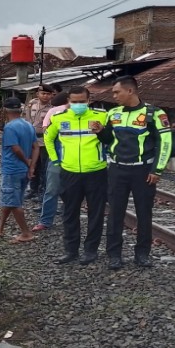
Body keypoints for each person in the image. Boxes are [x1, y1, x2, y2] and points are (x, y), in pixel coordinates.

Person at [98, 76, 172, 269]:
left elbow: (165, 142)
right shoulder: (112, 113)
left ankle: (142, 254)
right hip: (116, 169)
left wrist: (157, 169)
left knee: (144, 214)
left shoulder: (155, 113)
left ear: (130, 91)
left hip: (143, 171)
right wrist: (100, 131)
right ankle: (114, 255)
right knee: (115, 213)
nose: (114, 96)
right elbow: (107, 139)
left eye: (117, 92)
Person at [44, 86, 109, 264]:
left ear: (89, 101)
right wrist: (56, 160)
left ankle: (90, 251)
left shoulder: (102, 116)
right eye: (75, 102)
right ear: (69, 102)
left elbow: (112, 139)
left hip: (96, 172)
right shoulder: (59, 118)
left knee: (95, 214)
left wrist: (102, 134)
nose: (78, 105)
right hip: (69, 172)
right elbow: (48, 138)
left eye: (82, 102)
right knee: (69, 213)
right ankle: (71, 251)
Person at [0, 97, 38, 242]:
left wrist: (26, 160)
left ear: (5, 110)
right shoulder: (28, 125)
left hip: (12, 169)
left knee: (13, 202)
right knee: (11, 198)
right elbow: (36, 147)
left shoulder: (10, 127)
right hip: (23, 170)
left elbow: (15, 148)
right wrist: (31, 166)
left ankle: (26, 233)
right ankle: (0, 227)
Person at [33, 90, 70, 232]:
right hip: (62, 159)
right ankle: (66, 218)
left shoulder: (53, 111)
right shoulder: (56, 113)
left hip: (59, 159)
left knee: (51, 190)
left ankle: (45, 221)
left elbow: (45, 132)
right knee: (69, 192)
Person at [25, 85, 55, 200]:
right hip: (32, 141)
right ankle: (33, 189)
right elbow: (26, 119)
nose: (46, 96)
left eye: (48, 94)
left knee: (43, 167)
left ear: (52, 95)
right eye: (43, 93)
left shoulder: (53, 108)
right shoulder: (31, 104)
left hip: (44, 142)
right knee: (33, 165)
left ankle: (42, 192)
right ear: (38, 94)